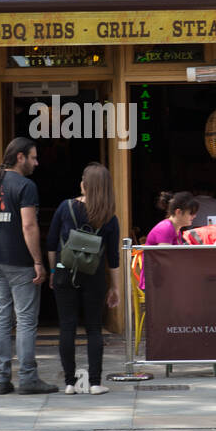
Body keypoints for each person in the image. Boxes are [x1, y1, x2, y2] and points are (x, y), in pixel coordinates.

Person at [0, 137, 57, 395]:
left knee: (1, 316)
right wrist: (38, 261)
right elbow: (28, 225)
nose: (36, 163)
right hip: (19, 260)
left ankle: (1, 379)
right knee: (25, 320)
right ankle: (27, 377)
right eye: (33, 157)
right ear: (20, 157)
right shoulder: (26, 185)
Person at [47, 163, 122, 395]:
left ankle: (70, 382)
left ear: (84, 184)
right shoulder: (110, 218)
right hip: (94, 275)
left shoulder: (65, 207)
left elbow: (51, 243)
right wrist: (115, 287)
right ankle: (96, 383)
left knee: (67, 326)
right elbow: (113, 257)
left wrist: (53, 272)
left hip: (64, 271)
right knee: (94, 328)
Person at [140, 191, 199, 290]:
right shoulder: (166, 228)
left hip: (165, 281)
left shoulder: (176, 229)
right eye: (191, 213)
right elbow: (164, 261)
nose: (194, 216)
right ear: (178, 212)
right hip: (156, 285)